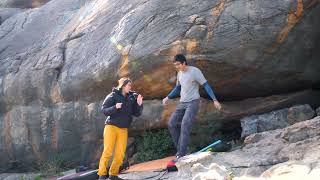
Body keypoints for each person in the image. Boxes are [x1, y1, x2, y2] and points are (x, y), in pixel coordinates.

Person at [163, 54, 221, 160]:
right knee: (171, 123)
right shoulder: (179, 73)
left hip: (193, 102)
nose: (176, 67)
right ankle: (180, 150)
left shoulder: (195, 71)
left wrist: (214, 100)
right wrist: (168, 97)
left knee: (185, 124)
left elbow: (206, 85)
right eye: (175, 65)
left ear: (184, 63)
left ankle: (181, 154)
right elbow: (178, 88)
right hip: (182, 103)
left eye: (178, 64)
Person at [98, 77, 143, 180]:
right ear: (123, 86)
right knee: (108, 151)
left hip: (123, 128)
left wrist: (139, 104)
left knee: (120, 153)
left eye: (131, 86)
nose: (130, 87)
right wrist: (115, 107)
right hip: (111, 126)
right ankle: (102, 174)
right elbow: (104, 110)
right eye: (129, 85)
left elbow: (137, 113)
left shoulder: (132, 97)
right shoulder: (113, 96)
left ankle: (113, 174)